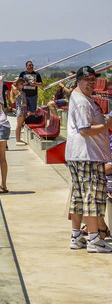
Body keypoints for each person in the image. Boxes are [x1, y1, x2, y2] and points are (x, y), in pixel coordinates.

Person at [65, 66, 112, 253]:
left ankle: (77, 237)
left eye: (94, 79)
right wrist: (107, 124)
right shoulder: (82, 102)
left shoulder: (80, 97)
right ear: (78, 80)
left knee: (78, 197)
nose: (91, 82)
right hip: (88, 155)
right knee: (92, 197)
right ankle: (94, 239)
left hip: (79, 155)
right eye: (87, 79)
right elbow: (85, 130)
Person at [8, 77, 28, 145]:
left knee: (21, 125)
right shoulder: (17, 92)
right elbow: (12, 86)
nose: (23, 85)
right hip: (20, 110)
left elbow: (25, 82)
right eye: (21, 84)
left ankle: (19, 137)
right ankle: (17, 139)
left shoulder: (21, 91)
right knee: (18, 125)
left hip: (24, 109)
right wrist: (15, 83)